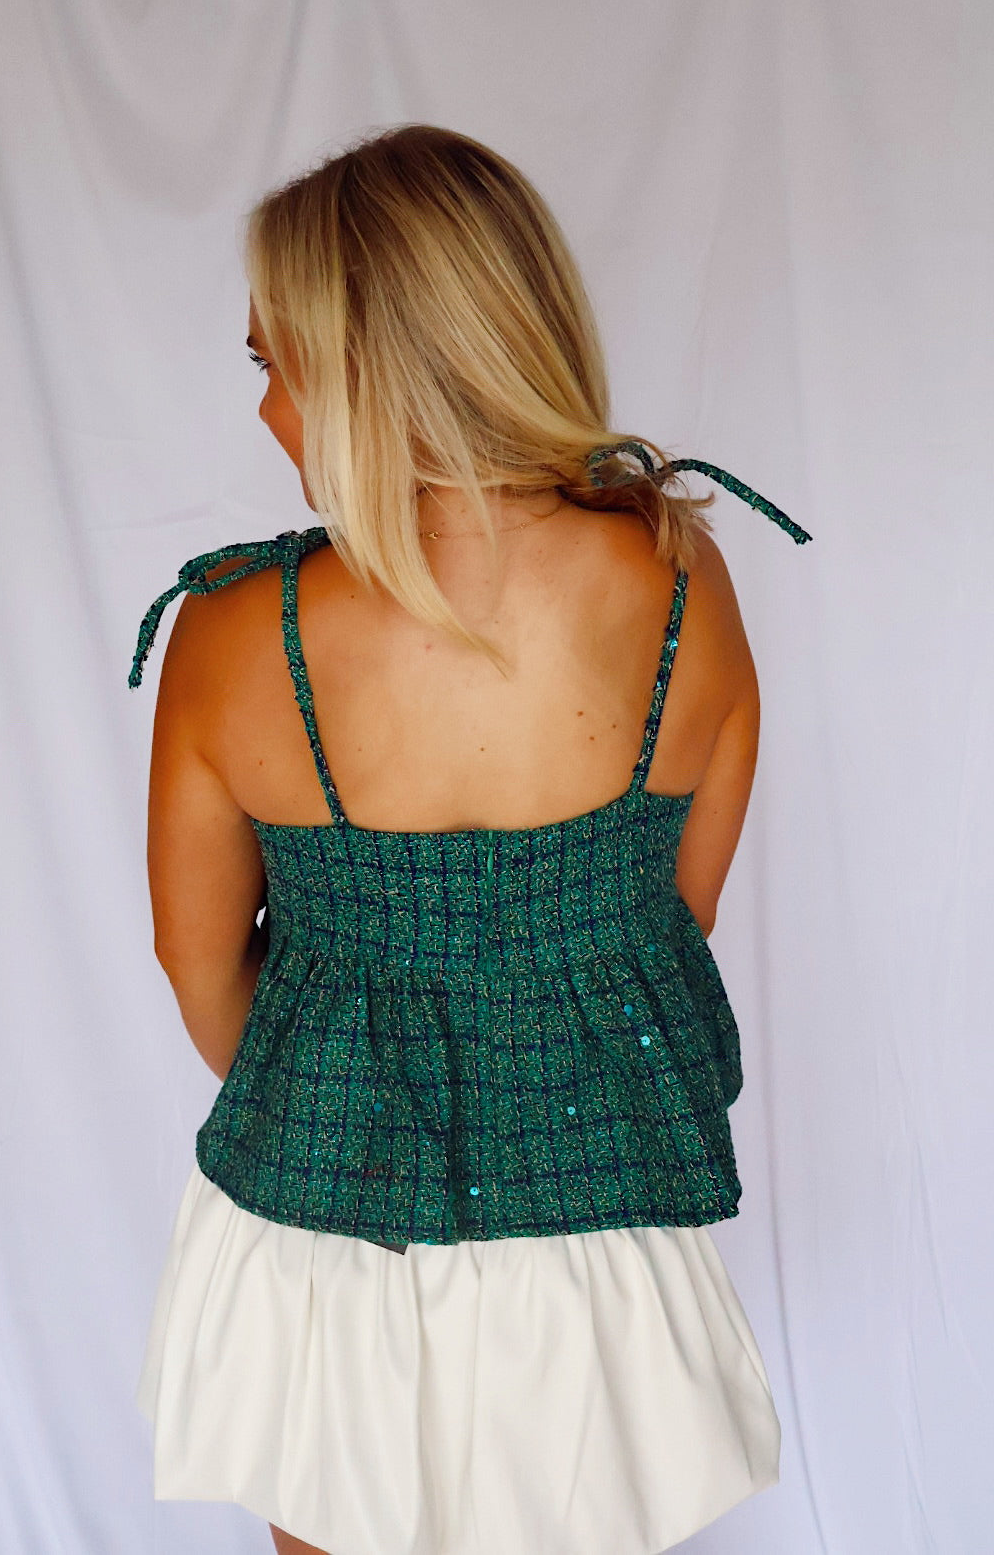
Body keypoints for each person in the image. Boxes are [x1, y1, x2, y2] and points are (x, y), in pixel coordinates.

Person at [130, 124, 810, 1555]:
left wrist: (348, 1089)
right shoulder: (682, 579)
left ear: (366, 368)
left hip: (331, 1220)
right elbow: (672, 920)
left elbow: (203, 979)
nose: (266, 411)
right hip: (602, 1216)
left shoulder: (236, 634)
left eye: (275, 364)